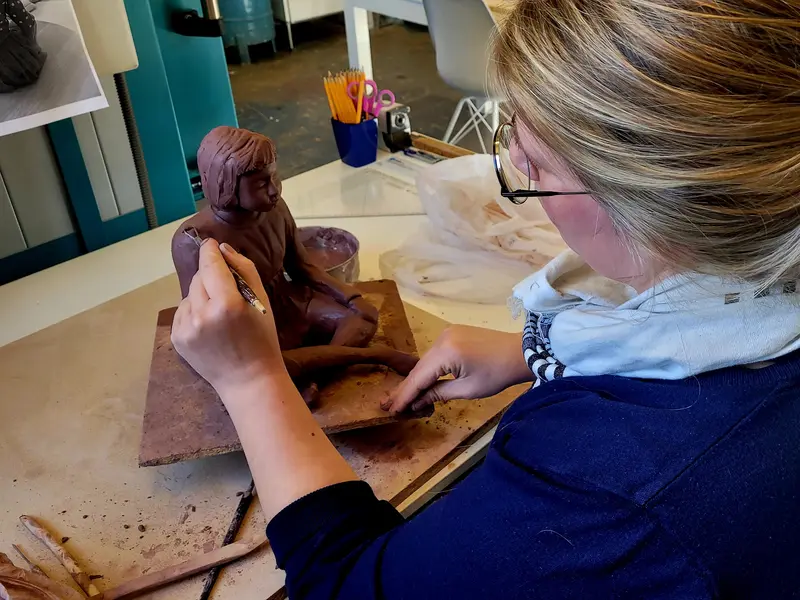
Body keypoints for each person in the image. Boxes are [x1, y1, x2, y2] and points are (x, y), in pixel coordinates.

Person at [170, 1, 800, 597]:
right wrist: (536, 351)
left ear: (645, 201)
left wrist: (252, 380)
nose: (519, 168)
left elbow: (348, 586)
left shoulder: (606, 490)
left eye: (536, 167)